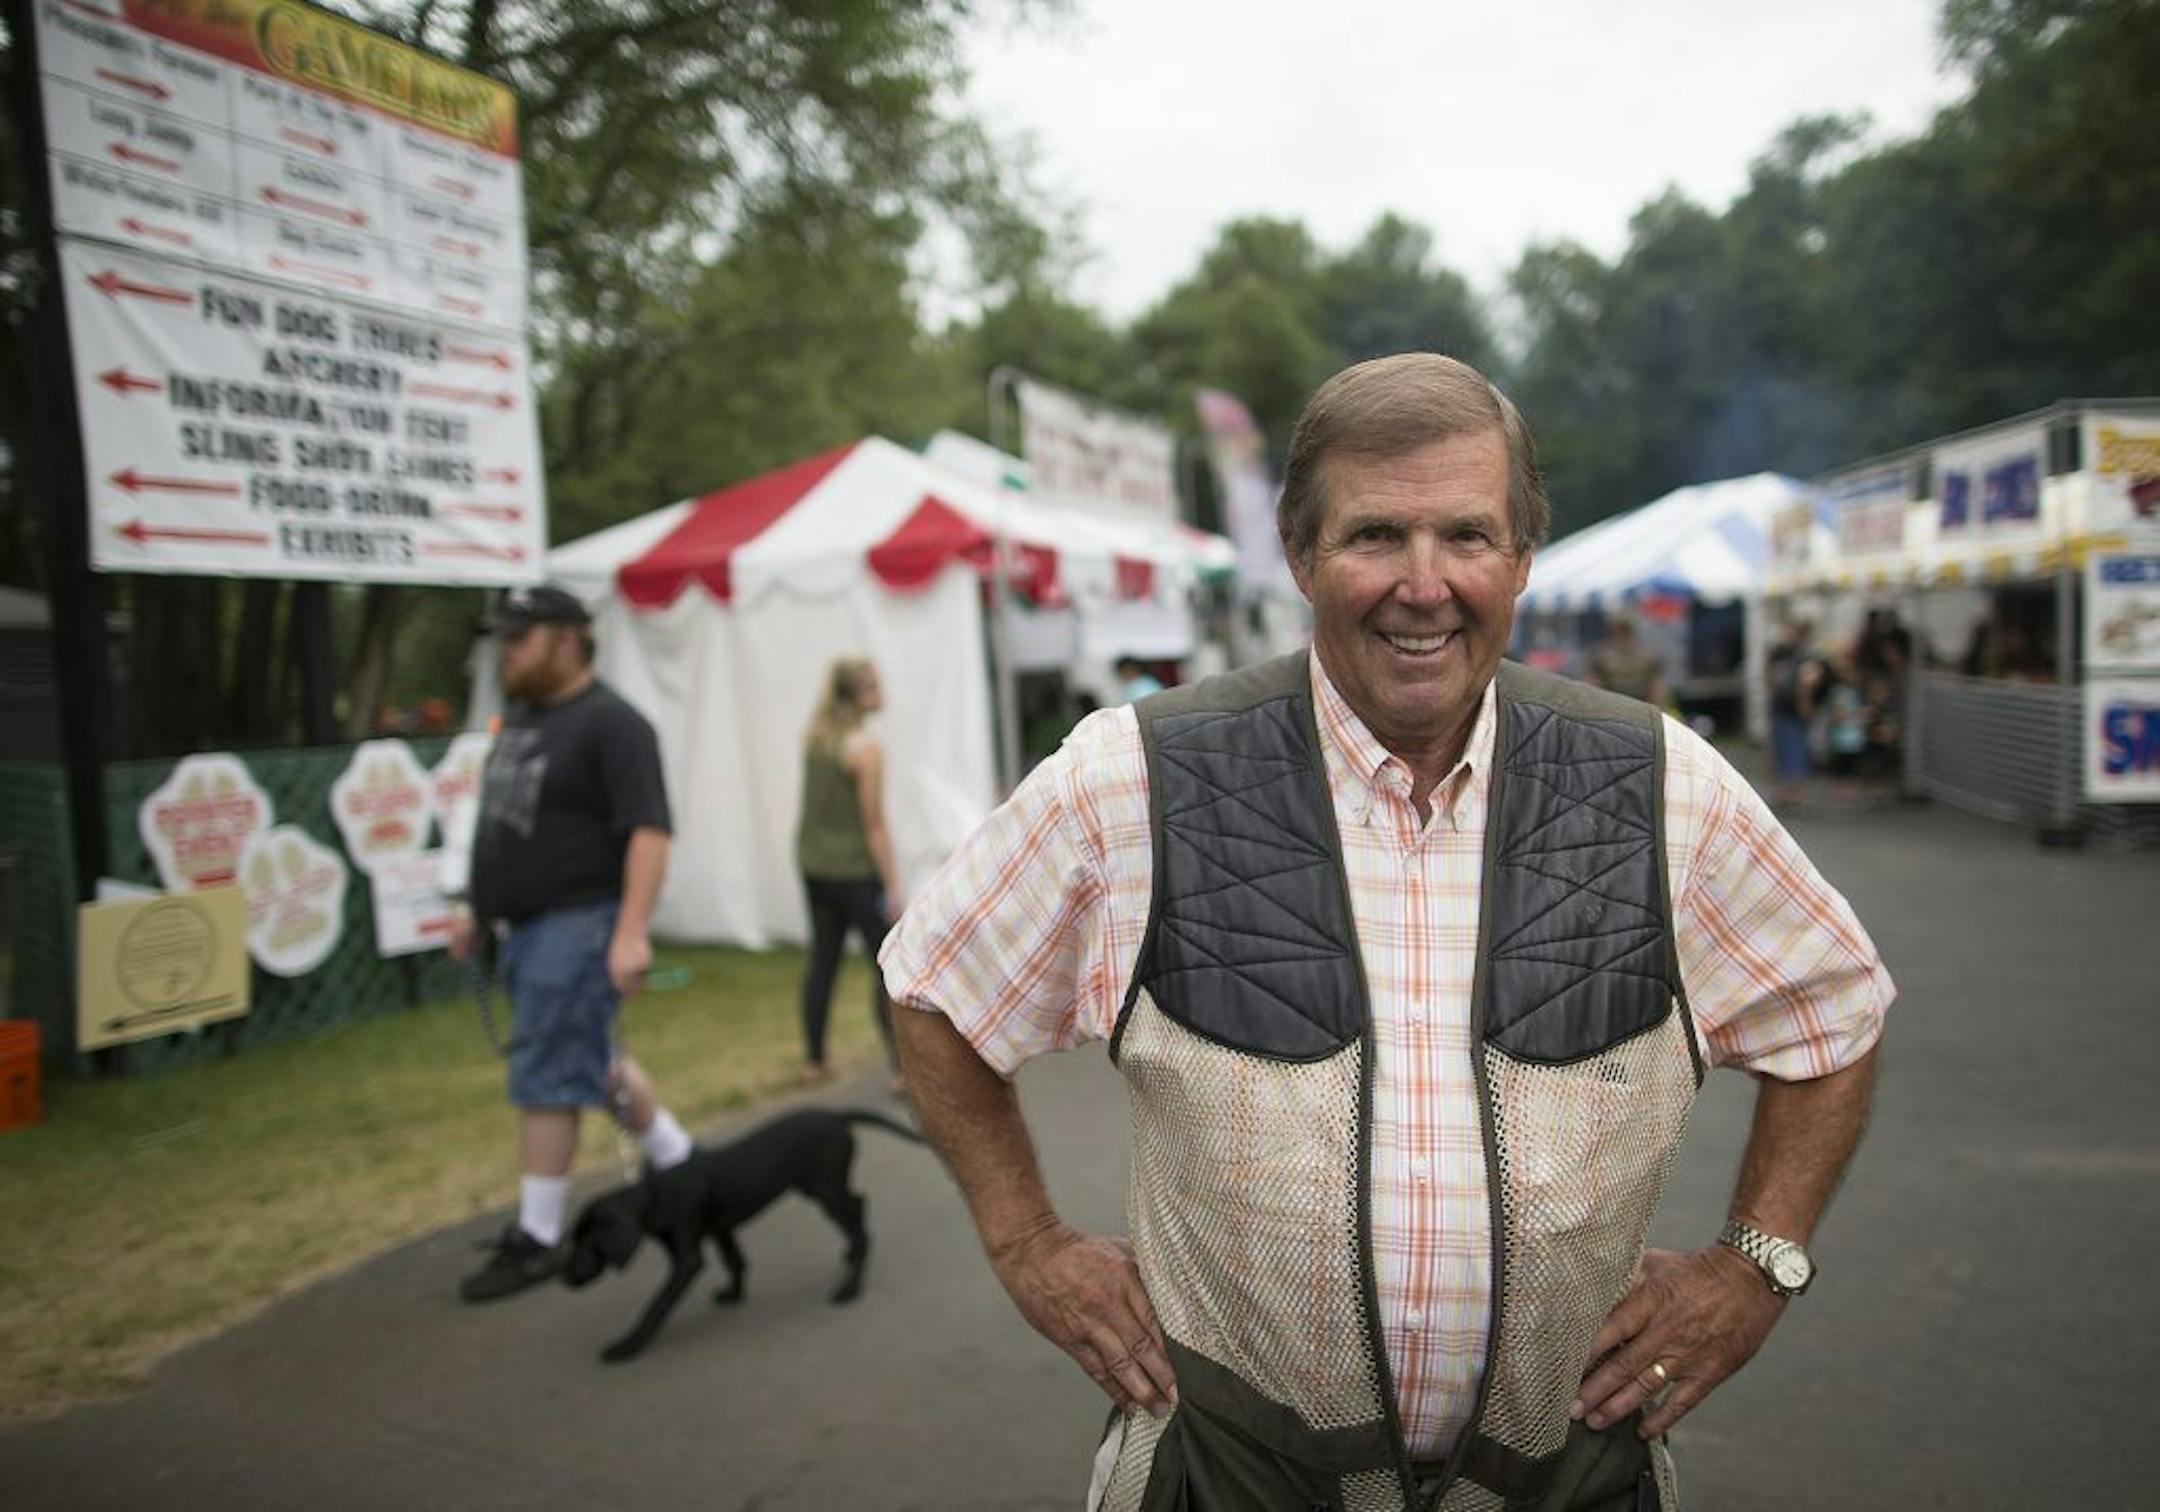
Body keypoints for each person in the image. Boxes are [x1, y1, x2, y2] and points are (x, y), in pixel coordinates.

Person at [881, 354, 1891, 1511]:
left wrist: (1755, 1267)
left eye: (1468, 535)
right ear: (1302, 553)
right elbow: (936, 991)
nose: (1426, 585)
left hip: (1567, 1477)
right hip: (1228, 1475)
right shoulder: (1132, 778)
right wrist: (1026, 1243)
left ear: (1521, 556)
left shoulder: (1666, 787)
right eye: (1374, 537)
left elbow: (1836, 1010)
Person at [449, 583, 694, 1302]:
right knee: (591, 1058)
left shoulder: (614, 726)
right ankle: (679, 1161)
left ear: (567, 639)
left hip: (579, 924)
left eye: (518, 640)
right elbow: (499, 822)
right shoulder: (522, 719)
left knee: (548, 1076)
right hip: (524, 928)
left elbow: (649, 830)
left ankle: (539, 1235)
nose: (506, 654)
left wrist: (630, 935)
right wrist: (474, 905)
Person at [795, 657, 903, 1088]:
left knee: (823, 961)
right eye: (873, 687)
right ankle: (902, 1069)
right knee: (887, 968)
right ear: (856, 695)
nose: (881, 694)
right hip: (855, 871)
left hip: (815, 865)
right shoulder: (864, 748)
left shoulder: (817, 739)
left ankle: (814, 1060)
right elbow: (873, 824)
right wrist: (893, 885)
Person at [1766, 617, 1825, 811]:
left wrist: (1805, 703)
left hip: (1793, 709)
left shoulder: (1806, 657)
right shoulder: (1781, 653)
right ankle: (1786, 792)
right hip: (1783, 707)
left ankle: (1794, 793)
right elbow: (1772, 679)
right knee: (1785, 749)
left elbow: (1807, 684)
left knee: (1796, 749)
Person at [1584, 613, 1670, 709]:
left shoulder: (1649, 658)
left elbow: (1657, 691)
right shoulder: (1601, 656)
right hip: (1611, 706)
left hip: (1639, 706)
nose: (1621, 636)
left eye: (1625, 631)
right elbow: (1592, 687)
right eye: (1619, 631)